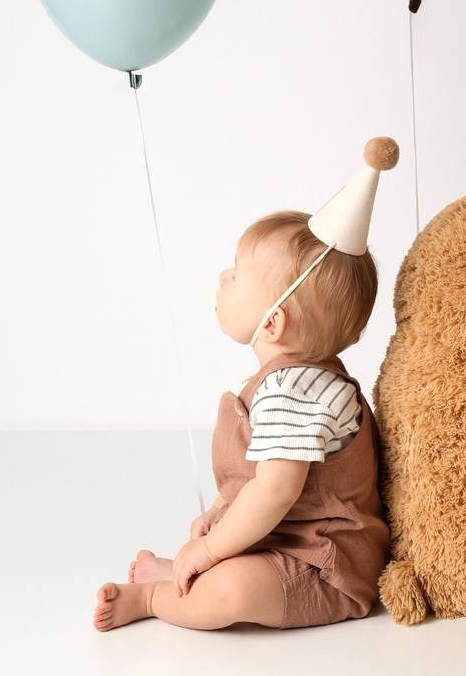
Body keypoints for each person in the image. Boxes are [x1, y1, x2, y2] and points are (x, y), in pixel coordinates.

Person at [93, 137, 399, 633]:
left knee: (234, 590)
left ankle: (153, 597)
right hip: (283, 540)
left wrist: (211, 548)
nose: (222, 277)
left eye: (235, 275)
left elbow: (275, 491)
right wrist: (221, 510)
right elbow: (258, 481)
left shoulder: (295, 392)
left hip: (325, 566)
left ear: (273, 322)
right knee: (227, 555)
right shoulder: (291, 381)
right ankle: (180, 573)